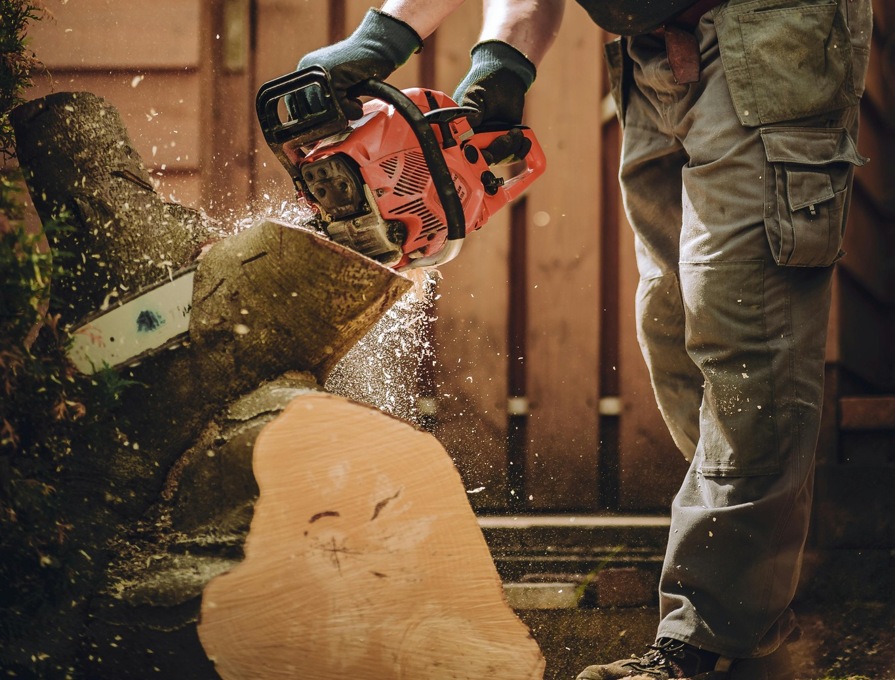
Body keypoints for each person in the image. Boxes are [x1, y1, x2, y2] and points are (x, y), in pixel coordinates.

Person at [291, 0, 872, 678]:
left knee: (744, 324)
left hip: (769, 31)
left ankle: (716, 641)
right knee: (673, 322)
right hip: (650, 46)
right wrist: (499, 63)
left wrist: (381, 36)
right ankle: (752, 609)